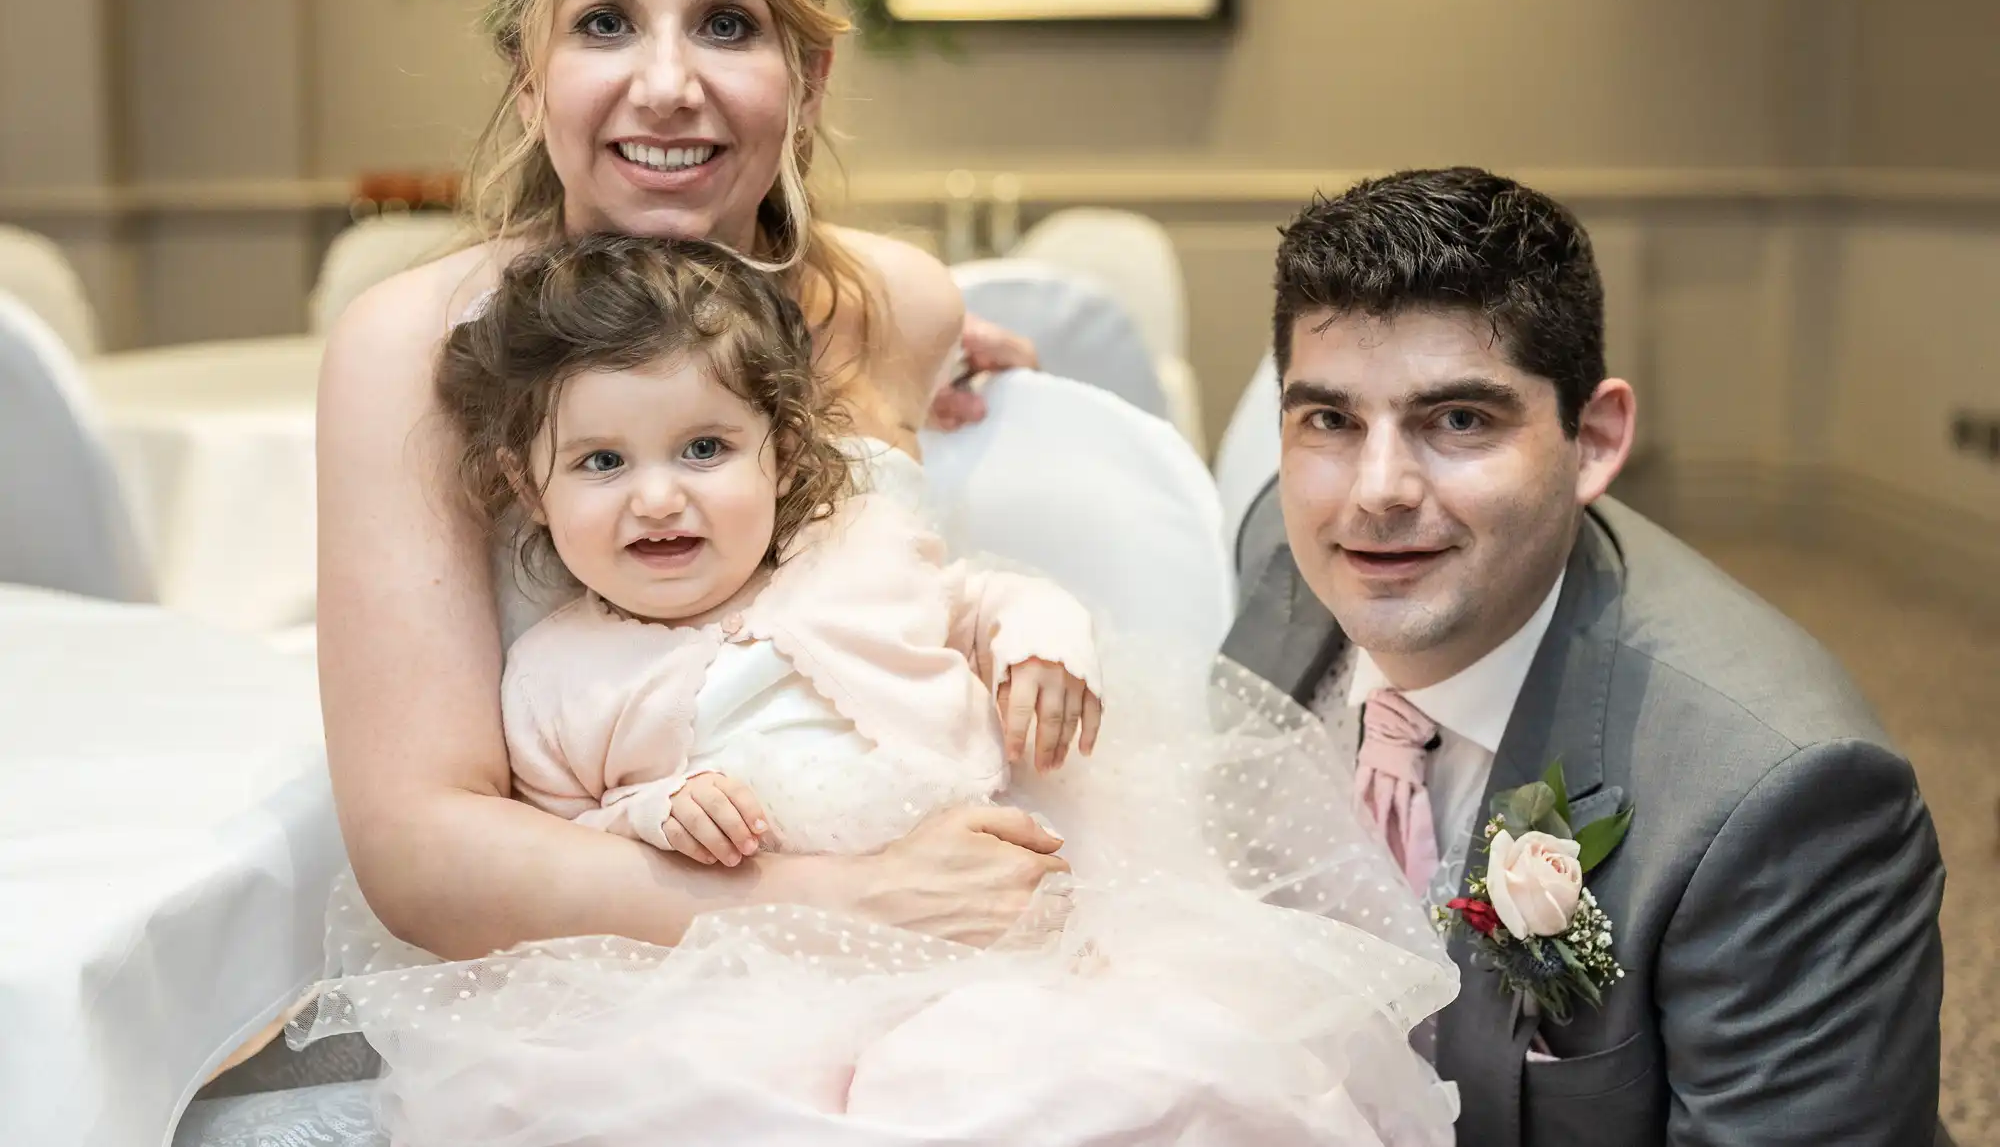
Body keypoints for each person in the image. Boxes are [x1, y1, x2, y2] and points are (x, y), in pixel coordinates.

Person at [290, 231, 1461, 1145]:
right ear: (525, 487)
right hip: (749, 989)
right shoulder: (555, 673)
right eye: (601, 463)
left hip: (1004, 942)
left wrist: (1041, 642)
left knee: (1143, 1081)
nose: (657, 498)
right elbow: (559, 830)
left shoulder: (851, 545)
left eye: (702, 450)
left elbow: (981, 596)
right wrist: (653, 811)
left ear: (780, 456)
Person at [314, 0, 1051, 967]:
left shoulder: (896, 306)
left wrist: (961, 349)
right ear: (527, 77)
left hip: (974, 926)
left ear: (806, 77)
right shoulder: (408, 347)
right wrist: (843, 905)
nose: (665, 85)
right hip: (613, 978)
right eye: (604, 23)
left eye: (725, 24)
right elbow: (417, 846)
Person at [1222, 167, 1947, 1146]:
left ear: (1593, 441)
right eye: (1330, 419)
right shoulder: (1286, 535)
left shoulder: (1777, 798)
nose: (1374, 492)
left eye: (1458, 420)